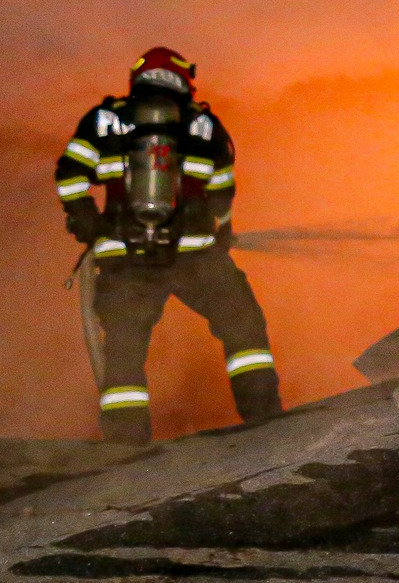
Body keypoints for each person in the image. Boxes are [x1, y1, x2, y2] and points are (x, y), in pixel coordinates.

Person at [56, 47, 280, 444]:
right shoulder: (204, 125)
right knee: (242, 328)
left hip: (125, 258)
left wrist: (84, 216)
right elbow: (223, 190)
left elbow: (69, 173)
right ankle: (266, 423)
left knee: (124, 352)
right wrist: (222, 231)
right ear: (185, 81)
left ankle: (126, 450)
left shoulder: (103, 120)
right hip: (196, 256)